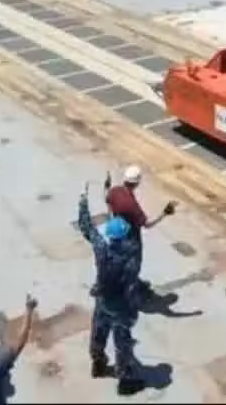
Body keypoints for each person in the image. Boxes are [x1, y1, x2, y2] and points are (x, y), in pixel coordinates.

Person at [79, 192, 146, 396]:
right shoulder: (131, 256)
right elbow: (132, 287)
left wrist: (83, 204)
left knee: (98, 332)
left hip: (103, 301)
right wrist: (133, 311)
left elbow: (87, 228)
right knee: (122, 342)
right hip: (121, 307)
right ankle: (124, 380)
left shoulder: (101, 248)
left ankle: (98, 363)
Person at [105, 165, 176, 296]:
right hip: (131, 240)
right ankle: (130, 294)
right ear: (137, 183)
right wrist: (164, 213)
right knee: (133, 266)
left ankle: (118, 284)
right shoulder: (131, 205)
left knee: (119, 261)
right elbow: (147, 224)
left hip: (116, 234)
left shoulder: (114, 191)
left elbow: (107, 200)